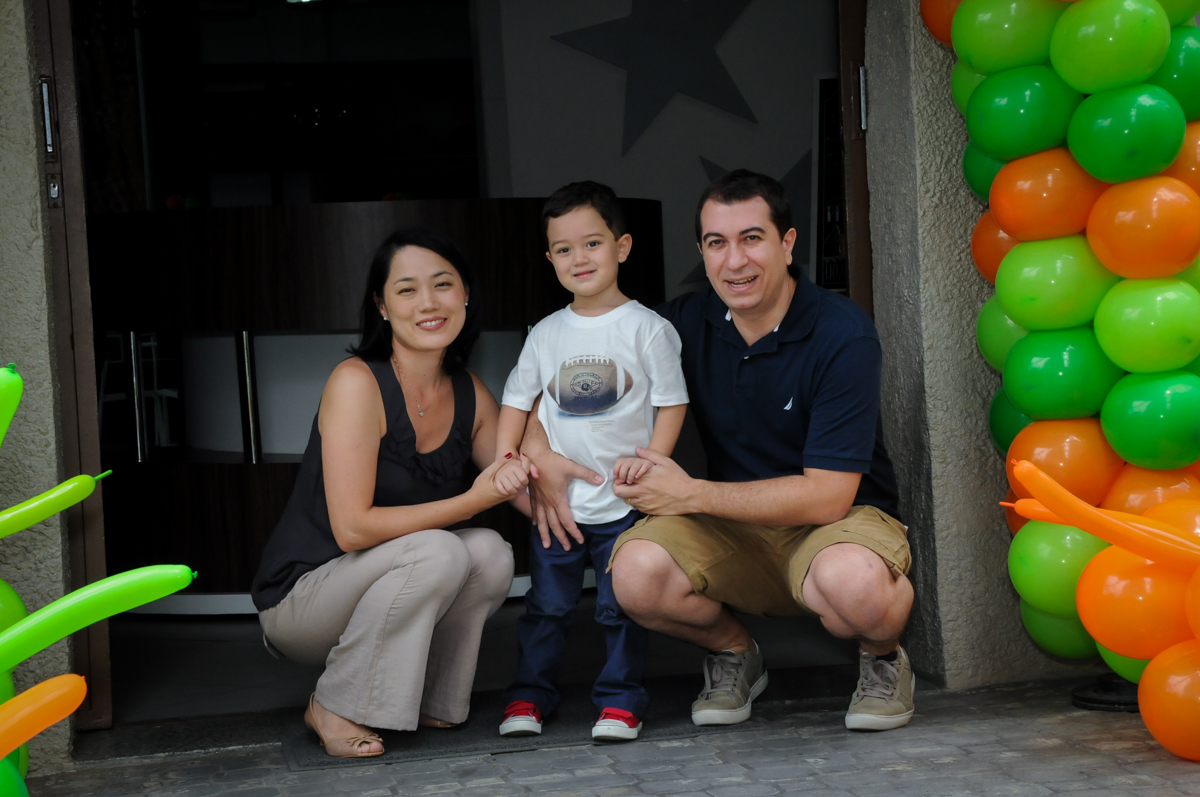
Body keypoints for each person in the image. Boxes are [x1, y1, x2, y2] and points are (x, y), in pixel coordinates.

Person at [522, 170, 914, 733]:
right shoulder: (679, 325)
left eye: (752, 238)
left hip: (838, 524)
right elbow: (545, 380)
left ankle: (883, 659)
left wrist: (690, 493)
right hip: (730, 527)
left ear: (787, 243)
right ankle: (735, 652)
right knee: (632, 573)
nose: (735, 262)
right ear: (702, 252)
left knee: (855, 585)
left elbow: (828, 496)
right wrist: (541, 451)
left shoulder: (840, 332)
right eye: (716, 243)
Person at [251, 228, 523, 758]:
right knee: (443, 546)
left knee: (490, 551)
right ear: (381, 305)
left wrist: (611, 510)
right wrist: (472, 500)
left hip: (391, 579)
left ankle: (431, 698)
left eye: (443, 285)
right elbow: (352, 528)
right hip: (304, 598)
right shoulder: (356, 381)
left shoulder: (471, 392)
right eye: (406, 290)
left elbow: (523, 485)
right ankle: (333, 703)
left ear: (465, 293)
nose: (429, 303)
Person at [491, 182, 689, 742]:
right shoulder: (546, 333)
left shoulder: (649, 328)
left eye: (592, 243)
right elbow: (516, 400)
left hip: (623, 504)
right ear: (549, 257)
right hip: (557, 506)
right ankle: (528, 696)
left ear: (622, 247)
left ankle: (621, 701)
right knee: (547, 607)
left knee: (618, 607)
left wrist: (653, 464)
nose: (578, 259)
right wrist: (509, 458)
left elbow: (671, 404)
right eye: (563, 248)